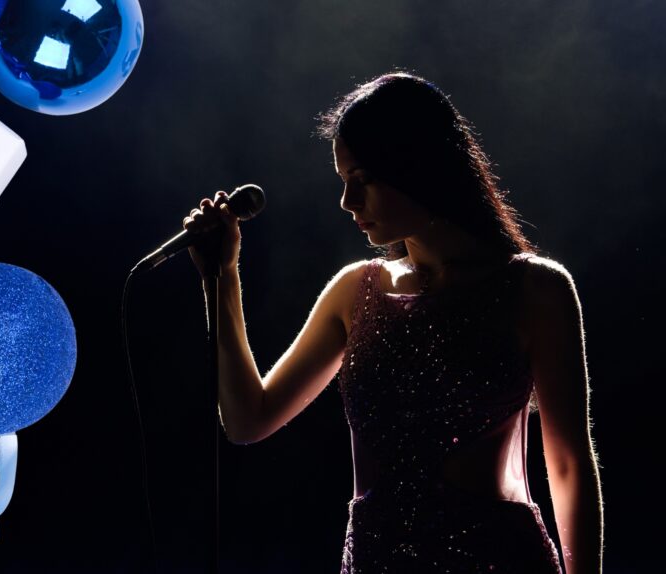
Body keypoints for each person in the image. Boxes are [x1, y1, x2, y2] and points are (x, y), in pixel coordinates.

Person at [183, 72, 603, 573]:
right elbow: (248, 419)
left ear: (418, 166)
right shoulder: (354, 292)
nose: (348, 202)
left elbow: (569, 465)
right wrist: (221, 277)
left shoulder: (537, 290)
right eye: (343, 182)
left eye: (362, 180)